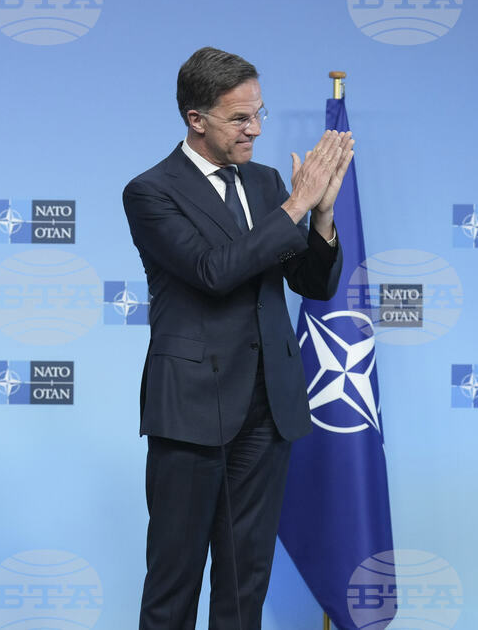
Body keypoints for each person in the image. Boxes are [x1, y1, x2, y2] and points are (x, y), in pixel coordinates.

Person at [122, 47, 354, 629]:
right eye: (239, 118)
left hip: (268, 408)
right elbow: (212, 271)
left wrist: (321, 216)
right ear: (196, 119)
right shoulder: (151, 191)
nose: (255, 129)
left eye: (259, 113)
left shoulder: (266, 182)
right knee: (173, 584)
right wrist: (296, 205)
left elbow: (312, 283)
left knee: (245, 582)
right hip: (191, 409)